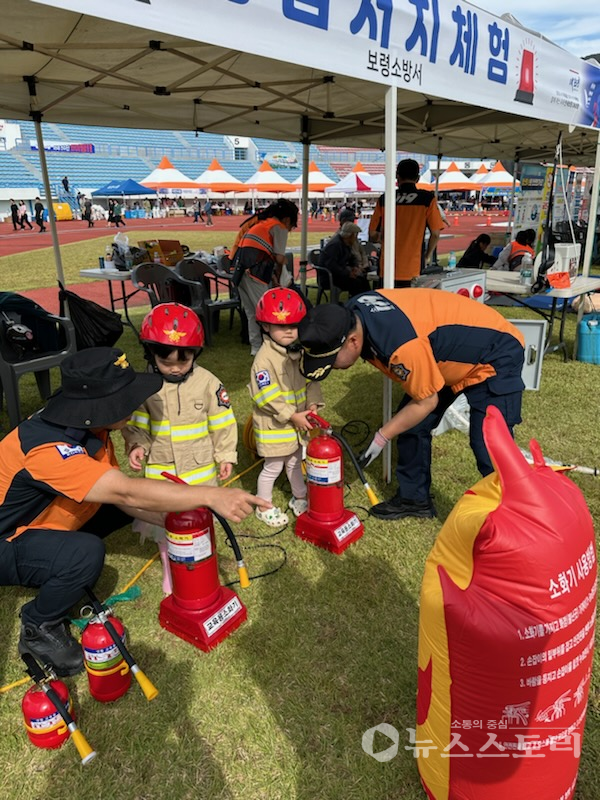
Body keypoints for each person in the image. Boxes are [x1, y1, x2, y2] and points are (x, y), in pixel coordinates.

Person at [0, 346, 266, 677]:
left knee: (129, 508)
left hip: (48, 517)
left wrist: (177, 521)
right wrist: (210, 495)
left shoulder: (85, 427)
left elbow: (120, 494)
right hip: (8, 540)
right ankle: (38, 624)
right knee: (85, 554)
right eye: (126, 399)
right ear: (99, 407)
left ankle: (58, 556)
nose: (134, 404)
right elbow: (124, 489)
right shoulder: (48, 448)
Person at [297, 290, 525, 520]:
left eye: (330, 360)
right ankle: (414, 499)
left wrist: (382, 436)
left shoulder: (400, 346)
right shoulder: (353, 311)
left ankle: (515, 515)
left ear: (353, 341)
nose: (331, 368)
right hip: (443, 352)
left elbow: (426, 401)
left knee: (489, 444)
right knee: (410, 425)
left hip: (496, 351)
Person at [122, 304, 238, 595]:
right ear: (151, 354)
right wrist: (137, 445)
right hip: (162, 473)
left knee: (201, 521)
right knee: (166, 525)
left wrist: (226, 455)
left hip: (199, 472)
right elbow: (138, 422)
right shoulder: (144, 386)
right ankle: (168, 564)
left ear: (195, 354)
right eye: (166, 361)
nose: (175, 367)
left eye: (184, 360)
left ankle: (203, 563)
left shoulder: (209, 383)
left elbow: (223, 422)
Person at [250, 288, 323, 527]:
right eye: (281, 326)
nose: (289, 331)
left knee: (294, 460)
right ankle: (264, 505)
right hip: (275, 426)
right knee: (272, 466)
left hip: (297, 423)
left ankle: (299, 497)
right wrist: (292, 415)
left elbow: (312, 379)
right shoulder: (264, 359)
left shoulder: (301, 350)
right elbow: (266, 396)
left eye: (294, 325)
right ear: (265, 327)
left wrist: (312, 404)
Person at [235, 198, 299, 356]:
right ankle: (274, 348)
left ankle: (256, 348)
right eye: (292, 225)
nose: (290, 229)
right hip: (255, 273)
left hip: (240, 272)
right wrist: (281, 267)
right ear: (287, 219)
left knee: (252, 313)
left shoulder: (261, 224)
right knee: (266, 312)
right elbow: (278, 258)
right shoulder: (278, 227)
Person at [369, 158, 445, 287]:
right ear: (418, 178)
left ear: (397, 177)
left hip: (387, 267)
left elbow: (372, 235)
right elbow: (436, 234)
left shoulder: (385, 199)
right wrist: (427, 256)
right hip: (413, 268)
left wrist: (384, 238)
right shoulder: (427, 199)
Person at [319, 222, 370, 298]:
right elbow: (332, 265)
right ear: (350, 235)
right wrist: (347, 273)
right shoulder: (335, 245)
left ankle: (366, 300)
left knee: (363, 280)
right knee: (356, 283)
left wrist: (355, 266)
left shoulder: (345, 244)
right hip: (330, 277)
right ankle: (357, 302)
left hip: (339, 274)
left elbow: (351, 258)